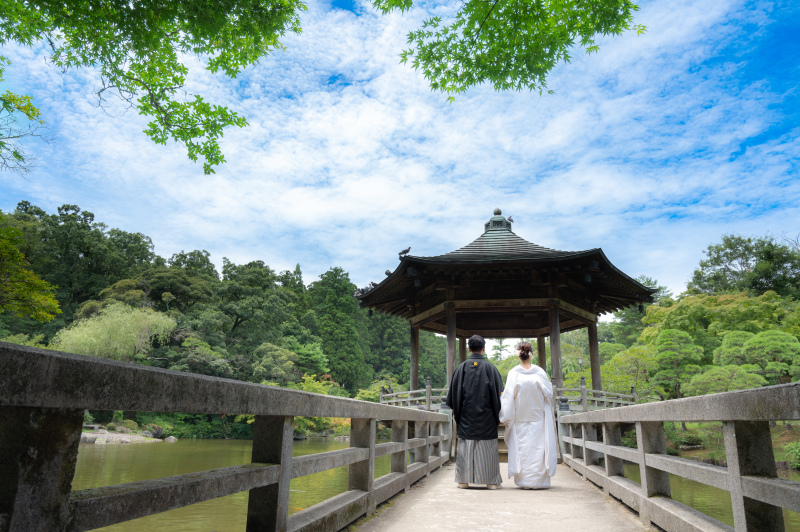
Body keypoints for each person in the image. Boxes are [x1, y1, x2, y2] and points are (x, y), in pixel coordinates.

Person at [446, 334, 504, 489]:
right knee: (488, 450)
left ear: (469, 348)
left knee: (465, 448)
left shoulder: (461, 369)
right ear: (483, 348)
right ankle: (491, 482)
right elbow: (499, 397)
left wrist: (459, 416)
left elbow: (453, 397)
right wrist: (498, 416)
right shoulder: (491, 369)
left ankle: (463, 481)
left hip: (467, 419)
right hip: (487, 419)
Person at [499, 341, 557, 489]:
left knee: (523, 449)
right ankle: (539, 481)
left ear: (518, 355)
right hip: (538, 418)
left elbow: (508, 397)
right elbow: (549, 394)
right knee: (539, 450)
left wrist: (504, 417)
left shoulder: (514, 373)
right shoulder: (540, 372)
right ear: (532, 355)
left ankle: (525, 481)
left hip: (520, 417)